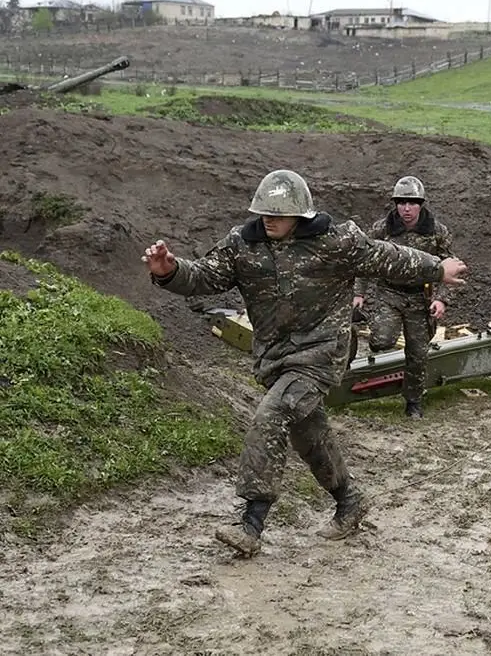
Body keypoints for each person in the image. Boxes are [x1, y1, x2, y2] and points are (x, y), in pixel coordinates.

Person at [142, 169, 468, 557]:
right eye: (264, 212)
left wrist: (437, 268)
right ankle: (349, 500)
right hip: (275, 357)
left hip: (321, 353)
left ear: (301, 214)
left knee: (272, 413)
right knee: (308, 434)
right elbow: (203, 277)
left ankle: (251, 523)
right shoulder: (242, 245)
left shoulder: (335, 241)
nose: (269, 219)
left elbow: (385, 257)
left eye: (278, 213)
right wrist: (169, 270)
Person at [352, 175, 455, 419]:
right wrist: (359, 293)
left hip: (420, 298)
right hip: (389, 293)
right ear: (395, 204)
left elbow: (453, 267)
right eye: (401, 203)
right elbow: (363, 261)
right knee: (381, 341)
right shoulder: (382, 229)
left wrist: (441, 298)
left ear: (421, 204)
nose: (406, 209)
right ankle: (362, 330)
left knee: (418, 354)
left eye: (412, 203)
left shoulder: (438, 233)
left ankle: (413, 402)